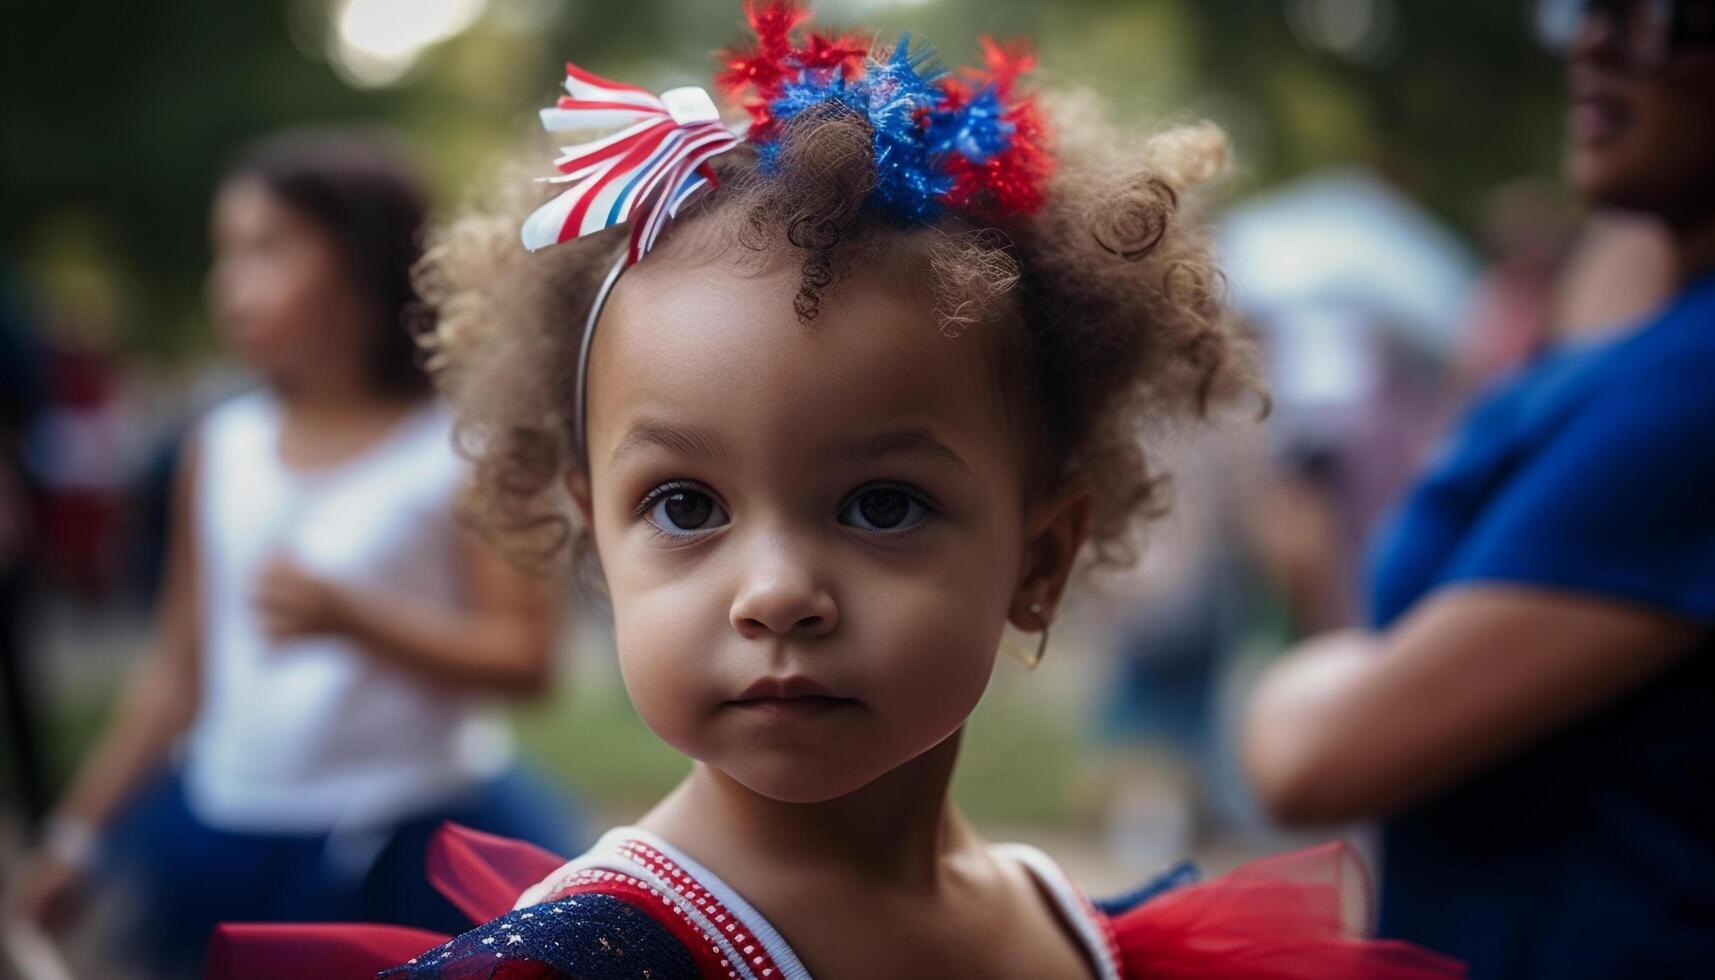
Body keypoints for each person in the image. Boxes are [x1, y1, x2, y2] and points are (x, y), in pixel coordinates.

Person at [210, 5, 1463, 977]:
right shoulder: (579, 960)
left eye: (880, 504)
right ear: (594, 534)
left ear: (1041, 556)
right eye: (686, 506)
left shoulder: (1072, 933)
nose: (776, 592)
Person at [5, 130, 575, 978]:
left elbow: (528, 661)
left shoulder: (460, 446)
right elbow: (177, 667)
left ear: (359, 263)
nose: (228, 284)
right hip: (227, 838)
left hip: (410, 838)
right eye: (225, 253)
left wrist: (356, 618)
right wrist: (79, 836)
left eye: (265, 249)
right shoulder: (221, 445)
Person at [1242, 1, 1715, 976]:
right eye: (1585, 8)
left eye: (1656, 13)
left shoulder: (1693, 387)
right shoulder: (1634, 345)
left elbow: (1315, 758)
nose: (1591, 39)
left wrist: (1296, 681)